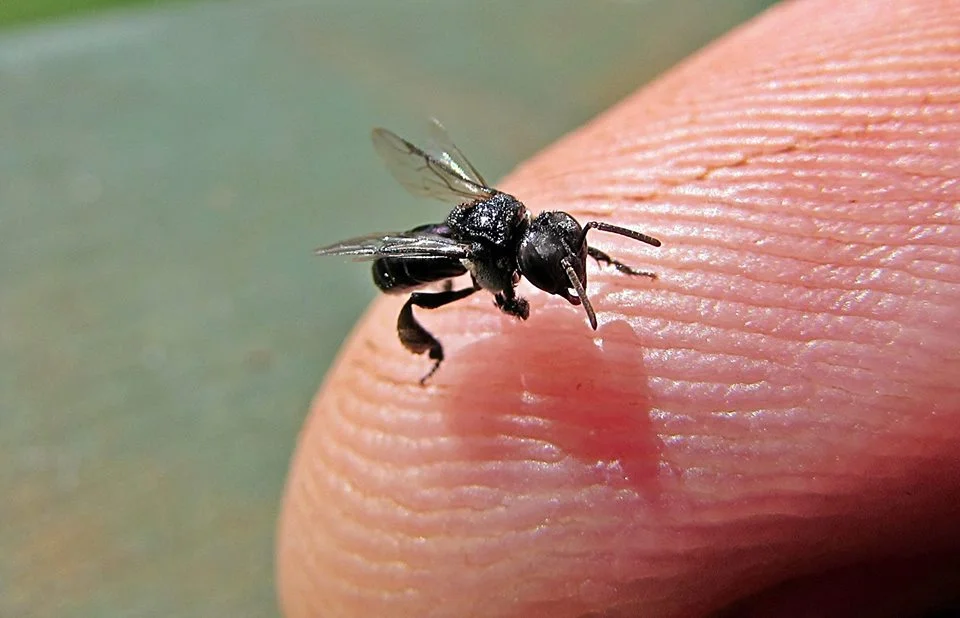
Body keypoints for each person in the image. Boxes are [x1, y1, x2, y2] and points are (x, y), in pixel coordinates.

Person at [277, 0, 960, 614]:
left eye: (567, 262)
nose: (569, 271)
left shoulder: (522, 224)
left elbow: (546, 244)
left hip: (484, 251)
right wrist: (509, 300)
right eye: (564, 270)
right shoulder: (494, 247)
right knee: (419, 306)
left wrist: (601, 263)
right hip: (407, 261)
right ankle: (430, 354)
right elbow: (491, 272)